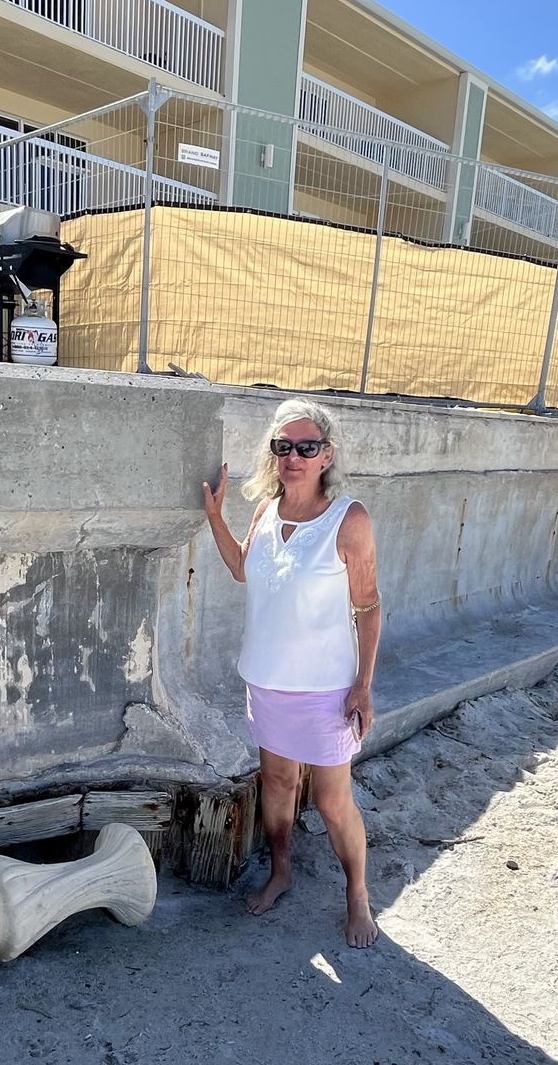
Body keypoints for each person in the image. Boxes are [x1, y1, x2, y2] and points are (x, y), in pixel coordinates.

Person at [202, 398, 382, 948]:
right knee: (278, 783)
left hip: (326, 688)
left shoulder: (348, 519)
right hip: (266, 680)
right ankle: (281, 871)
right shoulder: (264, 512)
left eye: (306, 447)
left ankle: (358, 896)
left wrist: (362, 686)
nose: (293, 457)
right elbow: (241, 571)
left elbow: (369, 605)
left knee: (331, 801)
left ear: (326, 455)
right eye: (283, 447)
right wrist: (215, 515)